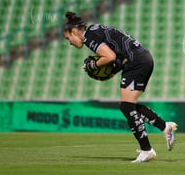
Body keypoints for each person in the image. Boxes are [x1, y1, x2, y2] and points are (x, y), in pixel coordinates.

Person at [63, 11, 178, 163]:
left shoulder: (89, 36)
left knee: (126, 107)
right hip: (141, 58)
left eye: (68, 38)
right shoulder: (95, 30)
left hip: (136, 61)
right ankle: (164, 127)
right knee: (128, 106)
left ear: (74, 31)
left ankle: (147, 150)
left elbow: (109, 56)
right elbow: (116, 56)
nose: (69, 42)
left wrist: (93, 64)